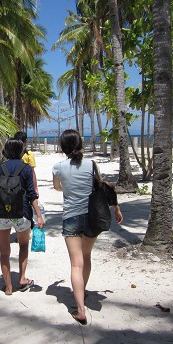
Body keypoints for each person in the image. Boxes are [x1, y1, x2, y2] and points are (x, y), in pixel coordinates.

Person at [52, 129, 123, 325]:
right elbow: (101, 186)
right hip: (91, 217)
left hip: (71, 217)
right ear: (80, 144)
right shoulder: (91, 164)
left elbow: (58, 188)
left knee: (76, 263)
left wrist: (68, 185)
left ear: (63, 147)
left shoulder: (58, 167)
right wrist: (116, 208)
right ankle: (82, 294)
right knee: (86, 257)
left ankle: (80, 309)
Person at [0, 138, 45, 296]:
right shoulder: (26, 169)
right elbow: (32, 195)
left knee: (4, 252)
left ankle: (8, 286)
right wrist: (39, 215)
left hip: (2, 214)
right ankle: (22, 278)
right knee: (23, 245)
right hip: (21, 213)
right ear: (21, 151)